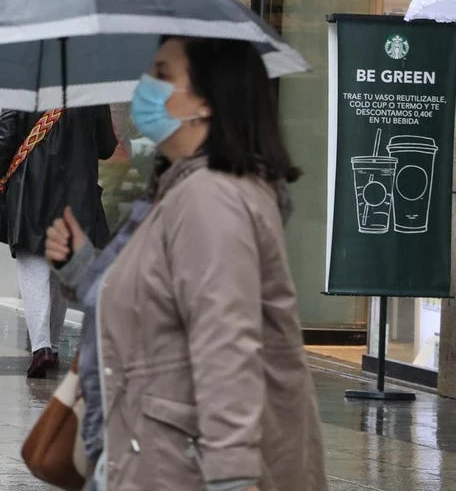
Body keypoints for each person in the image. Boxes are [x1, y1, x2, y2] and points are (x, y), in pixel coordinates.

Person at [45, 37, 326, 491]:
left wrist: (233, 477)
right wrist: (82, 268)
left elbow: (226, 343)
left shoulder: (211, 198)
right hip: (151, 455)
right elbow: (157, 304)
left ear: (208, 102)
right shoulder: (178, 190)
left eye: (162, 74)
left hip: (183, 467)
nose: (146, 87)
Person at [0, 106, 115, 378]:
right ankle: (53, 347)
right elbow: (106, 147)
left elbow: (4, 134)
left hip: (29, 193)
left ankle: (41, 348)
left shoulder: (26, 77)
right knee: (59, 269)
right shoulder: (92, 89)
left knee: (33, 270)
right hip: (77, 195)